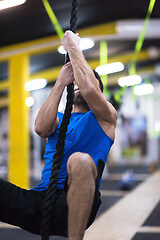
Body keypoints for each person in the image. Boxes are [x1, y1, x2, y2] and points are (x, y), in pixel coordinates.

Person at [0, 31, 117, 240]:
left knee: (80, 161)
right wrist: (61, 82)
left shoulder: (105, 117)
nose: (80, 84)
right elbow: (40, 128)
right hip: (41, 201)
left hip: (77, 205)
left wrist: (73, 47)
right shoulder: (60, 118)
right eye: (77, 81)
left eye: (85, 79)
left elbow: (90, 90)